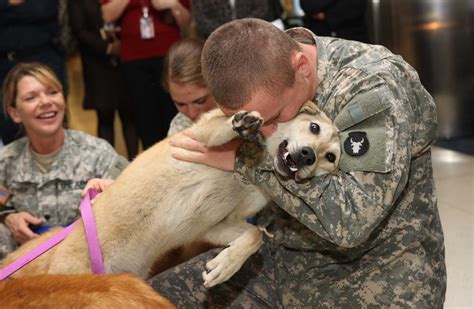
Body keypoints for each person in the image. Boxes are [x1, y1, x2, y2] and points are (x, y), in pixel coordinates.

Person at [149, 18, 446, 307]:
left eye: (274, 117)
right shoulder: (260, 73)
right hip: (284, 259)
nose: (267, 131)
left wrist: (246, 162)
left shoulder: (372, 87)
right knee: (141, 298)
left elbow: (353, 222)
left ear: (302, 67)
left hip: (380, 276)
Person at [0, 63, 128, 259]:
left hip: (91, 270)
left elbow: (133, 203)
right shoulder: (6, 162)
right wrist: (8, 217)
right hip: (27, 275)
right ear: (15, 113)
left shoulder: (98, 154)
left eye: (52, 92)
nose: (45, 102)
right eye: (31, 97)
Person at [101, 0, 191, 150]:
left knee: (175, 112)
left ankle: (181, 155)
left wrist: (173, 5)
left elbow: (187, 23)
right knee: (144, 118)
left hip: (170, 55)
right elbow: (107, 15)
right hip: (133, 58)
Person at [68, 0, 139, 160]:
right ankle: (107, 164)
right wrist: (107, 48)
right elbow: (78, 31)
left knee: (129, 116)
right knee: (105, 116)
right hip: (97, 64)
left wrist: (124, 44)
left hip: (126, 60)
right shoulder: (78, 3)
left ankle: (134, 162)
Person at [0, 0, 67, 145]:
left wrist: (6, 11)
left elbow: (42, 9)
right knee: (9, 126)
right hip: (4, 64)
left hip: (42, 59)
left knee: (49, 120)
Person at [163, 38, 216, 136]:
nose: (191, 114)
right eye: (180, 104)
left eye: (200, 101)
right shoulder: (179, 129)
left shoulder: (246, 114)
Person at [191, 0, 280, 39]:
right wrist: (225, 33)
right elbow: (201, 20)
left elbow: (262, 9)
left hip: (252, 38)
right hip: (215, 43)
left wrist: (241, 29)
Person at [300, 0, 369, 43]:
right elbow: (308, 5)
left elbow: (355, 8)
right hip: (318, 40)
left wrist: (326, 15)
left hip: (352, 39)